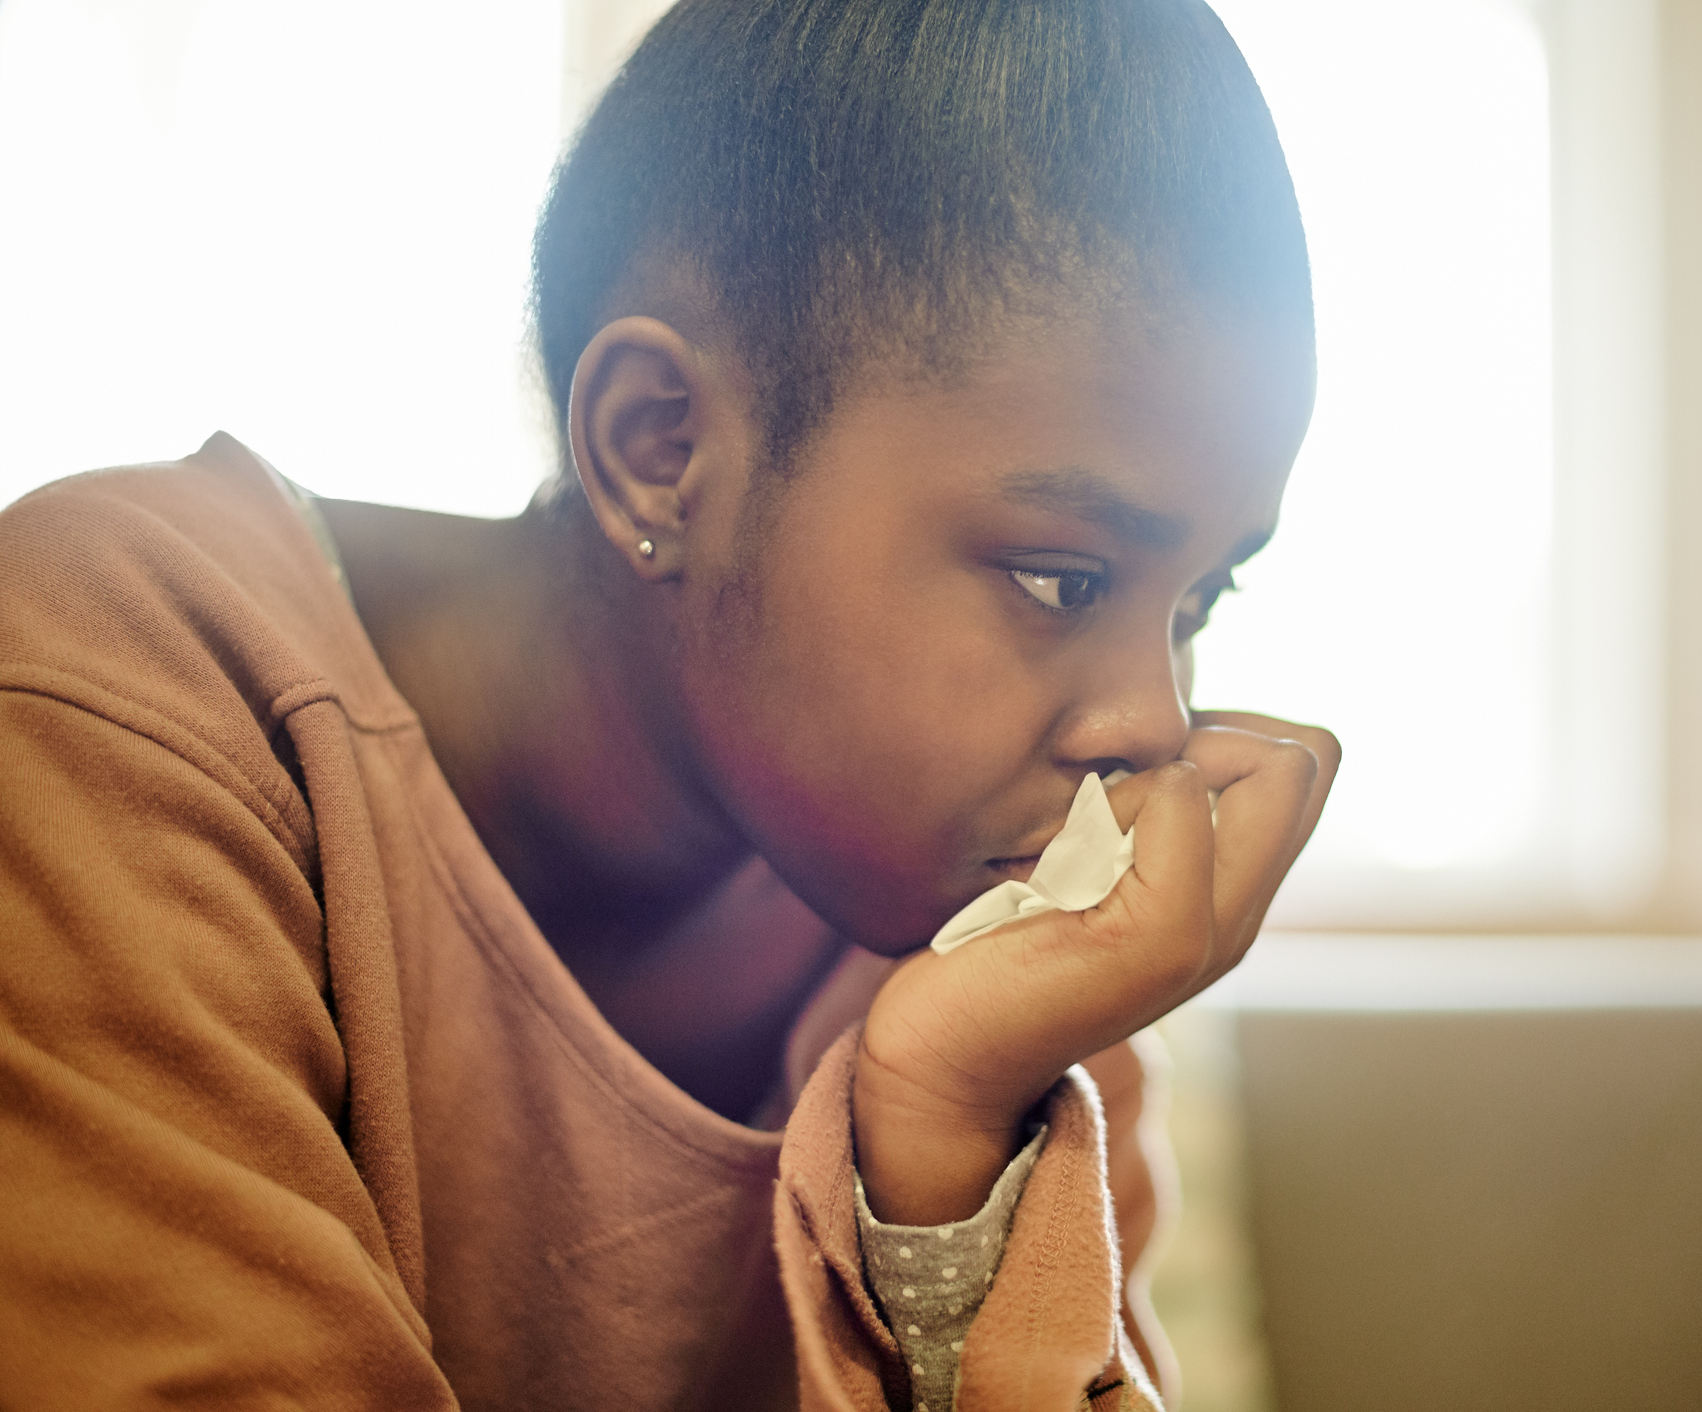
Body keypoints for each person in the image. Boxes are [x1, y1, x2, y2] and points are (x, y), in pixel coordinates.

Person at [0, 0, 1335, 1407]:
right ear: (660, 446)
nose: (1149, 725)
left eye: (1196, 606)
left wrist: (947, 1162)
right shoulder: (127, 680)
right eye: (1061, 579)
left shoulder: (1002, 937)